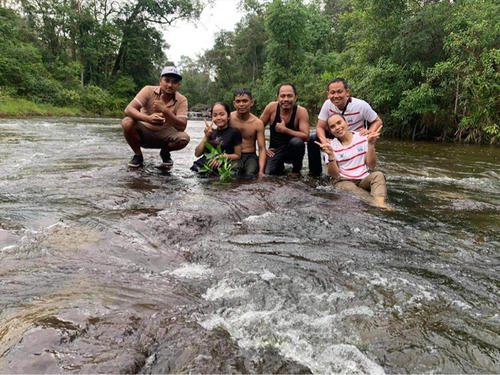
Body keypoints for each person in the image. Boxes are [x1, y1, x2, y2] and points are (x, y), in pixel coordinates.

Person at [307, 78, 383, 177]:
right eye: (332, 93)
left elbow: (377, 121)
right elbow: (319, 127)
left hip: (355, 138)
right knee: (313, 140)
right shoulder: (327, 104)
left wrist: (369, 132)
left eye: (339, 92)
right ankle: (315, 174)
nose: (336, 96)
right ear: (328, 94)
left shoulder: (361, 105)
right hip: (335, 135)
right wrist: (324, 140)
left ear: (347, 92)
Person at [315, 113, 389, 209]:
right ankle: (375, 203)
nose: (337, 127)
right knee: (350, 187)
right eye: (333, 126)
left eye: (339, 123)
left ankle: (380, 202)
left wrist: (371, 145)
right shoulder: (330, 146)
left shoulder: (362, 137)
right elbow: (334, 175)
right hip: (343, 180)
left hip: (363, 179)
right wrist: (330, 155)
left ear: (346, 123)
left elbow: (371, 166)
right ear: (330, 131)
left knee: (378, 175)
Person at [121, 66, 189, 168]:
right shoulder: (148, 90)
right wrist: (148, 118)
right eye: (167, 80)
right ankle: (138, 155)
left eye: (174, 82)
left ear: (178, 85)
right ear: (160, 81)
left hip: (166, 135)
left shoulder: (182, 99)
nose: (170, 85)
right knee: (127, 122)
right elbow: (128, 109)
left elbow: (182, 126)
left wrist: (165, 110)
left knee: (184, 138)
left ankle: (165, 153)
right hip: (145, 132)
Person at [259, 83, 310, 177]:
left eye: (289, 96)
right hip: (275, 150)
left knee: (297, 142)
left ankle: (296, 170)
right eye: (282, 96)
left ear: (295, 98)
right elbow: (257, 127)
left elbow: (306, 136)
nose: (286, 99)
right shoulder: (271, 108)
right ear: (277, 98)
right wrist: (263, 149)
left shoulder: (301, 112)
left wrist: (285, 130)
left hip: (292, 151)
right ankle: (279, 166)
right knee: (269, 174)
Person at [192, 102, 242, 176]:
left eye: (222, 114)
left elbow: (238, 155)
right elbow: (197, 154)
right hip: (205, 165)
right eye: (215, 115)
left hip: (222, 165)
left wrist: (223, 157)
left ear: (228, 116)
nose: (218, 118)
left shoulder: (234, 132)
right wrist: (206, 136)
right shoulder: (211, 132)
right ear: (212, 118)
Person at [229, 88, 266, 178]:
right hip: (233, 155)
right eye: (238, 101)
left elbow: (262, 149)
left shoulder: (257, 123)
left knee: (251, 175)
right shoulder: (228, 119)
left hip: (250, 156)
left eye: (245, 101)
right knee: (233, 174)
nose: (241, 104)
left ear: (251, 103)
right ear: (234, 104)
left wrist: (261, 171)